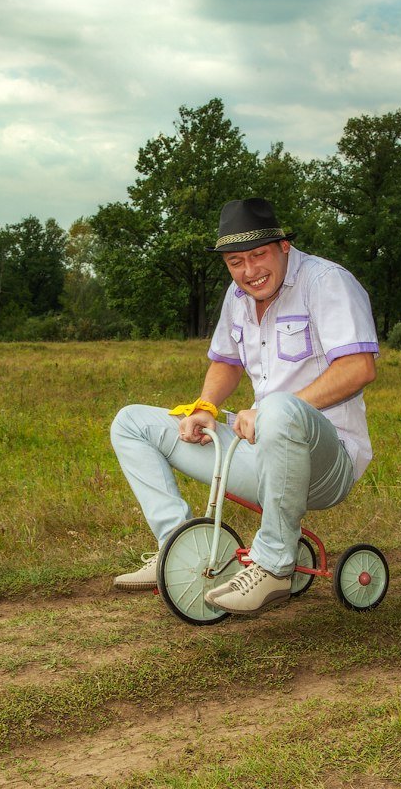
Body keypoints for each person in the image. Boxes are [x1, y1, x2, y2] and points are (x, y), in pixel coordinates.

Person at [110, 198, 379, 615]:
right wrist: (205, 407)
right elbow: (225, 362)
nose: (249, 271)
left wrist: (273, 410)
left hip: (326, 464)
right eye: (236, 261)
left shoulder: (326, 282)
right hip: (260, 451)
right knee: (131, 422)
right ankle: (177, 548)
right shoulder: (237, 296)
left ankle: (273, 566)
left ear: (283, 246)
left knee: (279, 409)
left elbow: (359, 367)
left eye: (259, 255)